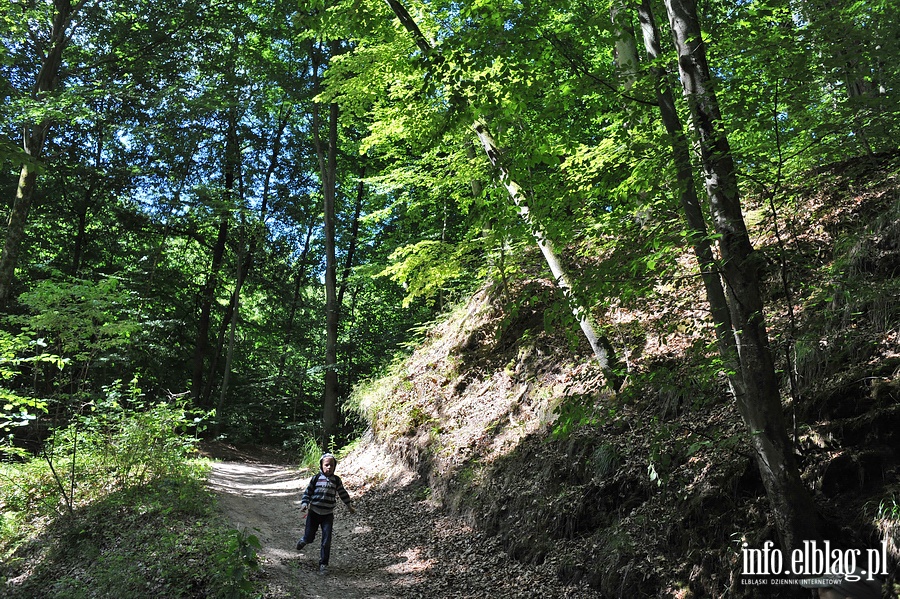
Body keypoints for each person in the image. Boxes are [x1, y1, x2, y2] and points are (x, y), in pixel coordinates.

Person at [296, 452, 355, 574]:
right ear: (321, 466)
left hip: (328, 515)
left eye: (332, 466)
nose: (329, 468)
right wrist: (304, 504)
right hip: (314, 512)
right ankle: (304, 540)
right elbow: (308, 492)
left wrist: (349, 506)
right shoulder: (316, 478)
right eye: (326, 465)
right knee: (310, 536)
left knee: (326, 540)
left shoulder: (336, 480)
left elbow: (343, 493)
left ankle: (323, 564)